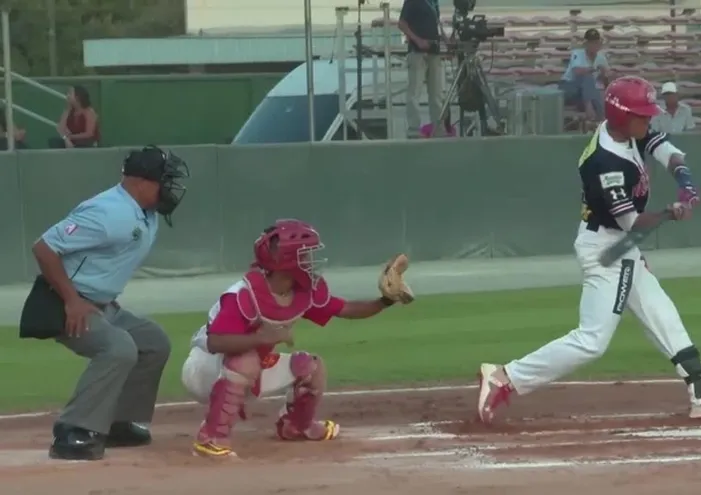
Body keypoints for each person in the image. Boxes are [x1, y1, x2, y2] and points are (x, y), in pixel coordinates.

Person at [476, 76, 701, 425]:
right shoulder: (605, 163)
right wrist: (670, 213)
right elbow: (632, 223)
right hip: (606, 246)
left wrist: (685, 180)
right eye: (641, 115)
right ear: (620, 116)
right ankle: (506, 377)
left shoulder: (625, 132)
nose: (648, 120)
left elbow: (665, 148)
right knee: (592, 340)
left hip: (618, 243)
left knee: (659, 310)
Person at [181, 220, 414, 458]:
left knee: (311, 367)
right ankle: (211, 438)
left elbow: (347, 309)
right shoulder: (243, 294)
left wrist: (386, 301)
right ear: (287, 260)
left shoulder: (300, 292)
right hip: (205, 370)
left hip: (248, 370)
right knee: (246, 360)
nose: (310, 261)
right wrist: (263, 337)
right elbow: (216, 341)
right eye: (305, 254)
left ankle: (296, 426)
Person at [18, 146, 190, 461]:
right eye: (164, 180)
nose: (170, 188)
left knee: (152, 342)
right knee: (118, 348)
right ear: (140, 181)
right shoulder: (108, 212)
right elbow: (44, 248)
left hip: (101, 304)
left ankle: (118, 423)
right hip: (63, 303)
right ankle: (72, 431)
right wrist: (72, 301)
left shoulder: (144, 212)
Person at [398, 0, 444, 137]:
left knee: (437, 93)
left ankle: (438, 127)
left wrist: (446, 40)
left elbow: (436, 23)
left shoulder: (434, 2)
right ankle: (413, 129)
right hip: (417, 51)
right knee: (415, 92)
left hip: (434, 50)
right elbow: (402, 23)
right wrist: (418, 40)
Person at [559, 28, 611, 121]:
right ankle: (590, 108)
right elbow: (577, 71)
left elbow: (605, 80)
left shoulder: (601, 57)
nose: (593, 45)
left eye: (595, 43)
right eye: (590, 43)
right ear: (586, 44)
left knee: (597, 92)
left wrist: (604, 74)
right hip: (570, 87)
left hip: (585, 93)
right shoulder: (577, 53)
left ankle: (600, 120)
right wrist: (595, 69)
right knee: (587, 78)